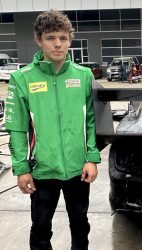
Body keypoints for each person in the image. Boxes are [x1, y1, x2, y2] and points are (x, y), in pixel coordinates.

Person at [5, 9, 101, 250]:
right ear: (39, 40)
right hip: (42, 170)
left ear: (70, 39)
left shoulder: (84, 76)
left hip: (79, 168)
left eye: (63, 38)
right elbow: (16, 128)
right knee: (40, 227)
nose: (58, 44)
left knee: (80, 224)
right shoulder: (21, 78)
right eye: (50, 38)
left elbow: (92, 121)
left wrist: (92, 158)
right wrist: (21, 168)